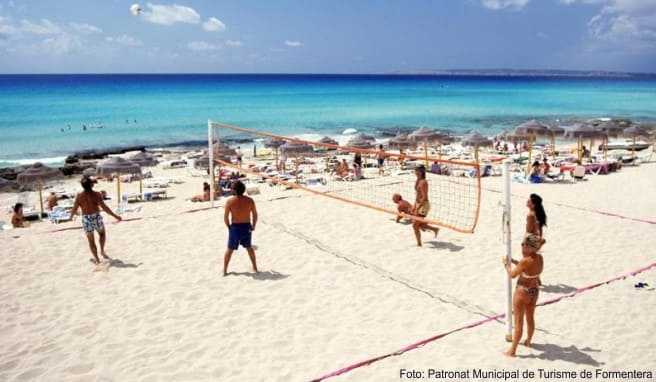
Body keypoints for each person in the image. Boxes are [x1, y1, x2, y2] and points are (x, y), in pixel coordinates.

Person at [502, 233, 545, 357]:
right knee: (530, 318)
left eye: (524, 245)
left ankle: (513, 350)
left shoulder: (525, 261)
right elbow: (526, 268)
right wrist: (516, 261)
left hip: (522, 292)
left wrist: (506, 264)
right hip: (534, 291)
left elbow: (512, 274)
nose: (522, 247)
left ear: (531, 247)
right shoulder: (539, 258)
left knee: (519, 322)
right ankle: (528, 341)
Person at [71, 176, 122, 265]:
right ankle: (102, 251)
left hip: (86, 218)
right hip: (96, 217)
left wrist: (70, 216)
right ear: (91, 185)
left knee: (91, 241)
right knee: (102, 234)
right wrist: (116, 216)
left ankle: (97, 259)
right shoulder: (97, 194)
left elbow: (74, 208)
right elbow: (105, 208)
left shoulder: (79, 196)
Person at [223, 181, 258, 276]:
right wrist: (253, 225)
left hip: (235, 227)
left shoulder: (230, 201)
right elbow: (255, 214)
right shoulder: (250, 200)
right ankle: (255, 267)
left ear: (234, 190)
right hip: (246, 226)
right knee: (249, 248)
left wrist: (229, 227)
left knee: (230, 249)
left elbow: (225, 218)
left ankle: (225, 270)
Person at [412, 165, 440, 246]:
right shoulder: (418, 180)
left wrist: (418, 207)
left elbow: (424, 197)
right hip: (418, 203)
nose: (415, 172)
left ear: (421, 172)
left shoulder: (424, 182)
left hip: (424, 205)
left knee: (415, 225)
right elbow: (417, 194)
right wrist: (414, 205)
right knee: (417, 224)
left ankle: (419, 244)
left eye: (416, 171)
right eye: (415, 171)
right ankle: (435, 229)